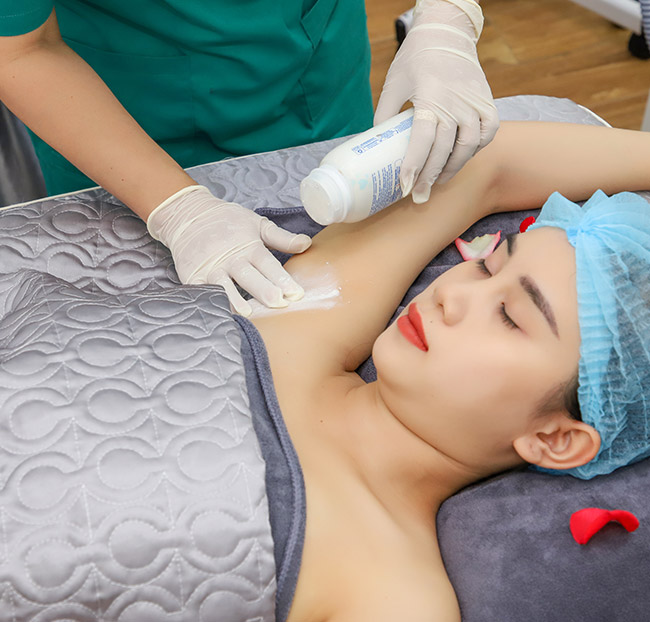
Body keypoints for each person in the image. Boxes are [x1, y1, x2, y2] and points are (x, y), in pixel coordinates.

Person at [240, 119, 650, 621]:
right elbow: (487, 162)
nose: (452, 294)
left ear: (556, 439)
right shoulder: (306, 312)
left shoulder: (387, 597)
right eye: (486, 265)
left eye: (510, 316)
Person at [0, 0, 497, 316]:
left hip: (323, 64)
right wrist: (179, 210)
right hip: (131, 112)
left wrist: (446, 19)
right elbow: (17, 51)